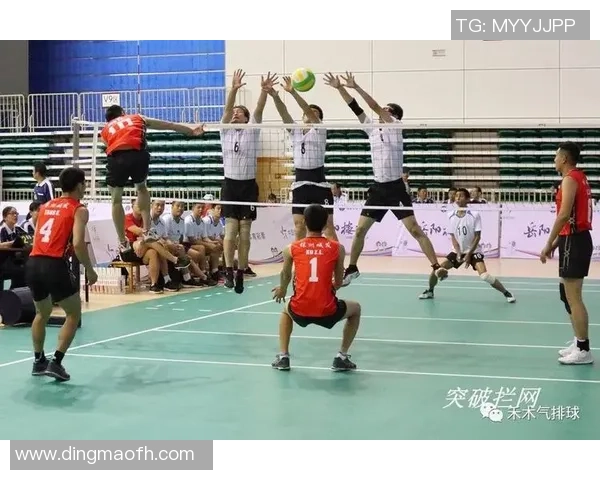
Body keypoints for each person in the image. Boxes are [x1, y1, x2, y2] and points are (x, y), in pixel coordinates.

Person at [324, 71, 448, 286]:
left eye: (387, 110)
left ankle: (436, 267)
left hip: (396, 188)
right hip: (378, 189)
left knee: (414, 229)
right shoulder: (372, 130)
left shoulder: (395, 126)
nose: (382, 111)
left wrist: (357, 87)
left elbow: (373, 106)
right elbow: (356, 108)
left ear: (395, 115)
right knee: (360, 230)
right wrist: (340, 88)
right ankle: (352, 268)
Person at [99, 105, 205, 254]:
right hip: (138, 154)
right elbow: (168, 125)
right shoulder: (137, 117)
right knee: (141, 188)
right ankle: (148, 230)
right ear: (123, 113)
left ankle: (122, 241)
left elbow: (108, 147)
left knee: (116, 200)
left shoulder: (104, 130)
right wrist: (190, 130)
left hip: (117, 157)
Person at [25, 167, 98, 382]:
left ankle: (38, 361)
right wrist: (90, 270)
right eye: (84, 183)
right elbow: (78, 243)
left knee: (42, 313)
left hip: (33, 262)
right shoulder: (79, 209)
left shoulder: (46, 206)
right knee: (74, 314)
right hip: (53, 264)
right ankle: (56, 362)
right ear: (79, 185)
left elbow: (38, 233)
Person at [271, 204, 362, 372]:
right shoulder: (337, 248)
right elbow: (338, 282)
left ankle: (283, 357)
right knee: (356, 309)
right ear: (326, 224)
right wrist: (329, 286)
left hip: (299, 309)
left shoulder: (291, 248)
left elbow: (285, 274)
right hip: (327, 311)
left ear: (304, 222)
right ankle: (341, 357)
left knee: (285, 310)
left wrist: (282, 289)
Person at [219, 69, 275, 293]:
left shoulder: (252, 131)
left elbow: (259, 110)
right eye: (233, 112)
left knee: (245, 232)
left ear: (246, 117)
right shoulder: (225, 131)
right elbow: (226, 110)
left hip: (248, 186)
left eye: (239, 112)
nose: (234, 114)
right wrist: (233, 89)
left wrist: (264, 92)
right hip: (230, 185)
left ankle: (241, 271)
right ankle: (228, 270)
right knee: (230, 232)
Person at [264, 75, 337, 241]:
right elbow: (283, 113)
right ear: (302, 117)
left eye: (315, 113)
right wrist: (275, 96)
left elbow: (308, 110)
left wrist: (293, 92)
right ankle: (299, 258)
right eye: (307, 113)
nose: (310, 114)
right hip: (300, 184)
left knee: (328, 227)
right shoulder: (295, 131)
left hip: (319, 183)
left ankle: (335, 258)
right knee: (299, 226)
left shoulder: (320, 130)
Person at [540, 142, 594, 365]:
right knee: (566, 295)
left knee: (574, 297)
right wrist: (556, 244)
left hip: (575, 241)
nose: (554, 160)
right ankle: (577, 341)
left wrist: (548, 243)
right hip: (570, 239)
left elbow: (563, 215)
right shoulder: (579, 177)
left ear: (563, 158)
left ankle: (583, 349)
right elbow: (570, 216)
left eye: (556, 157)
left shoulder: (570, 179)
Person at [419, 188, 516, 303]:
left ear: (467, 199)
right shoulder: (450, 215)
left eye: (461, 196)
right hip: (458, 251)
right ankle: (430, 291)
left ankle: (506, 293)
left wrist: (469, 254)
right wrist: (458, 253)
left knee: (484, 276)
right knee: (437, 269)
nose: (458, 198)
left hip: (474, 251)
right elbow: (453, 237)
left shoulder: (474, 215)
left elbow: (477, 237)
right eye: (456, 196)